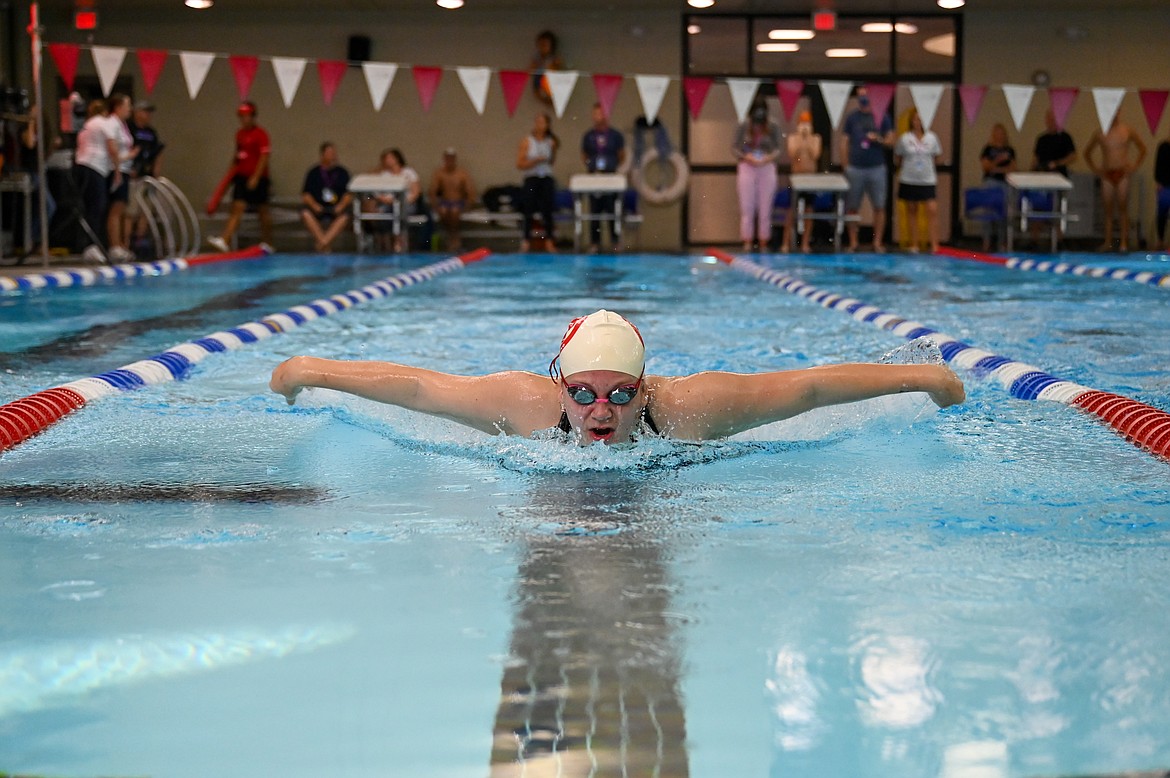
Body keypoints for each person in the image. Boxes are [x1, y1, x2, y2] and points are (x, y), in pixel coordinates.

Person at [269, 309, 966, 447]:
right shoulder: (526, 406)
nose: (600, 410)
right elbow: (421, 387)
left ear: (646, 388)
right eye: (583, 394)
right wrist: (312, 370)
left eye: (620, 394)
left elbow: (808, 387)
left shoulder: (691, 408)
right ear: (559, 387)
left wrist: (922, 378)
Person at [208, 101, 271, 252]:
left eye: (246, 116)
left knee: (262, 212)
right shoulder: (239, 134)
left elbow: (264, 157)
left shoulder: (261, 134)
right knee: (237, 207)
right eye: (241, 116)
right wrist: (229, 175)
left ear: (253, 116)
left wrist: (256, 177)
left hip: (259, 179)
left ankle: (267, 242)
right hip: (241, 177)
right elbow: (238, 156)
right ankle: (225, 240)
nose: (244, 119)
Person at [840, 86, 895, 253]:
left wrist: (877, 138)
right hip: (855, 168)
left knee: (879, 206)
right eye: (860, 96)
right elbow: (844, 142)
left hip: (876, 167)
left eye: (865, 96)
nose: (863, 99)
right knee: (852, 206)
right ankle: (853, 241)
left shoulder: (882, 116)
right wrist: (846, 165)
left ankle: (877, 242)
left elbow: (891, 140)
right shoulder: (852, 118)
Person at [1084, 115, 1147, 252]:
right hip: (1107, 174)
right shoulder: (1101, 132)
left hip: (1122, 173)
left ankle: (1124, 243)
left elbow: (1142, 149)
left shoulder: (1127, 131)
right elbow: (1087, 153)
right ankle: (1108, 242)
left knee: (1123, 209)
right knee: (1108, 211)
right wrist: (1096, 170)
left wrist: (1134, 166)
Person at [732, 101, 781, 253]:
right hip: (747, 166)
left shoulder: (773, 126)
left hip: (766, 167)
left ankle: (763, 242)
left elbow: (779, 148)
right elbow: (734, 147)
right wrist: (746, 157)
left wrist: (768, 158)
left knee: (765, 207)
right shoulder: (743, 125)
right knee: (747, 206)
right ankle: (747, 241)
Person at [893, 108, 944, 254]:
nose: (918, 122)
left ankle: (934, 244)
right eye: (915, 119)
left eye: (920, 119)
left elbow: (936, 157)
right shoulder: (905, 138)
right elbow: (899, 157)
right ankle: (914, 243)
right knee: (911, 211)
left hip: (927, 180)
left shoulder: (932, 138)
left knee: (932, 210)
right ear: (912, 121)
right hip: (909, 179)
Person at [580, 103, 626, 252]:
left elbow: (621, 155)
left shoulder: (615, 135)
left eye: (600, 113)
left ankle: (615, 242)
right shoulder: (588, 136)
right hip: (594, 176)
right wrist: (591, 166)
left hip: (610, 175)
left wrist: (612, 166)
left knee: (612, 210)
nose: (597, 117)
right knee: (595, 211)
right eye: (595, 114)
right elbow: (584, 155)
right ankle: (595, 242)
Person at [1028, 108, 1077, 246]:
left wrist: (1057, 163)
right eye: (1049, 120)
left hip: (1059, 179)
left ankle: (1059, 239)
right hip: (1042, 179)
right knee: (1038, 208)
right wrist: (1032, 173)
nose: (1051, 122)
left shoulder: (1065, 137)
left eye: (1053, 120)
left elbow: (1073, 156)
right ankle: (1034, 239)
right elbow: (1036, 158)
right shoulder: (1042, 139)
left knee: (1058, 209)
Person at [360, 147, 422, 253]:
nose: (387, 160)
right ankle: (385, 246)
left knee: (399, 212)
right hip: (388, 203)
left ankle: (399, 243)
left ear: (397, 158)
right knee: (381, 213)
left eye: (389, 157)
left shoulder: (408, 172)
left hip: (407, 203)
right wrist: (389, 201)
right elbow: (378, 194)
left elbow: (416, 191)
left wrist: (404, 201)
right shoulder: (384, 175)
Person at [126, 99, 164, 256]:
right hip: (132, 177)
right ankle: (126, 244)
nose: (148, 116)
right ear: (136, 112)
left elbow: (159, 152)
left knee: (146, 210)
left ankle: (139, 241)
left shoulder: (151, 133)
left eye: (149, 113)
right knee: (130, 212)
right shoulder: (128, 129)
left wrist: (156, 173)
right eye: (145, 112)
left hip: (146, 177)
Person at [516, 112, 559, 251]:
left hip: (545, 177)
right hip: (532, 177)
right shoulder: (527, 141)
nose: (540, 125)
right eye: (538, 122)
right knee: (528, 209)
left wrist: (553, 150)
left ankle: (549, 240)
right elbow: (520, 164)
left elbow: (551, 162)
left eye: (543, 122)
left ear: (547, 125)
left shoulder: (550, 141)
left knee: (547, 210)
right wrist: (535, 161)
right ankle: (526, 240)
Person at [299, 141, 353, 253]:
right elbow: (306, 194)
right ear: (322, 154)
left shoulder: (342, 172)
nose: (333, 155)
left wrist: (340, 206)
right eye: (330, 153)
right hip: (318, 206)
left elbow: (348, 194)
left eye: (334, 153)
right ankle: (324, 244)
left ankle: (322, 243)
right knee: (305, 213)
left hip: (336, 207)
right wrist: (314, 205)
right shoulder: (313, 172)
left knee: (345, 216)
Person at [783, 110, 822, 253]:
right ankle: (785, 243)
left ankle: (805, 243)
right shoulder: (793, 138)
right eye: (802, 123)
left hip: (810, 178)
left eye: (807, 123)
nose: (805, 126)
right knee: (791, 211)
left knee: (809, 210)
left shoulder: (816, 138)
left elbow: (815, 155)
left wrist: (807, 140)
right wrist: (801, 139)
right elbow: (793, 155)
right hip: (796, 178)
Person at [429, 148, 477, 252]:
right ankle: (453, 236)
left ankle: (453, 237)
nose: (449, 161)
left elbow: (470, 192)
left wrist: (468, 205)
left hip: (459, 202)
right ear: (444, 159)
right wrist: (435, 205)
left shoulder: (462, 174)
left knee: (454, 211)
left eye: (451, 158)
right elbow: (432, 191)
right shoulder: (439, 173)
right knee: (443, 210)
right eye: (447, 158)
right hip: (445, 202)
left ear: (455, 159)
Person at [978, 123, 1017, 252]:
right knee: (988, 212)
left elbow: (1012, 169)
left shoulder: (1010, 150)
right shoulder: (988, 149)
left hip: (1005, 184)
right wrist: (999, 161)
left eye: (1002, 133)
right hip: (990, 182)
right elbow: (986, 167)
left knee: (1004, 213)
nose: (999, 136)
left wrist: (996, 168)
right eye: (997, 133)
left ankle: (1002, 243)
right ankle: (986, 242)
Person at [529, 30, 564, 106]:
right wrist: (535, 65)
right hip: (539, 76)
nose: (542, 47)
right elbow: (531, 69)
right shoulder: (537, 57)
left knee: (551, 83)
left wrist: (555, 65)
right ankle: (543, 98)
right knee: (536, 84)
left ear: (551, 46)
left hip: (549, 78)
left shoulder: (553, 57)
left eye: (545, 45)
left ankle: (550, 98)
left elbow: (557, 66)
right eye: (540, 45)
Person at [1155, 132, 1170, 251]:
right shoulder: (1163, 147)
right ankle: (1160, 240)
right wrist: (1158, 182)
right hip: (1164, 185)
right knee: (1162, 214)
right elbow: (1158, 165)